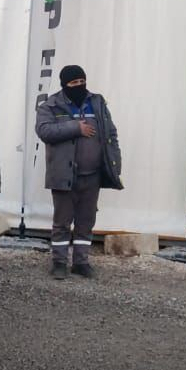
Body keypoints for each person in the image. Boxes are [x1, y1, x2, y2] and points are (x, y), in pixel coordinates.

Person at [35, 65, 123, 280]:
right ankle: (59, 262)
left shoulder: (97, 102)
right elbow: (44, 131)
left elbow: (110, 132)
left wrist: (115, 162)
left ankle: (81, 262)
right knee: (62, 222)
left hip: (92, 175)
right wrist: (76, 127)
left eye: (82, 81)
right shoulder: (51, 105)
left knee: (86, 220)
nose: (79, 86)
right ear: (64, 84)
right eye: (74, 83)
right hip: (64, 175)